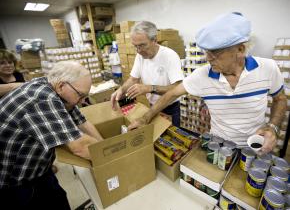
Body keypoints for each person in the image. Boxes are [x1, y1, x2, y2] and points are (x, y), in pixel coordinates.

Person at [128, 12, 287, 154]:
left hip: (255, 148)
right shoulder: (202, 76)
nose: (207, 58)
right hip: (219, 148)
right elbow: (171, 93)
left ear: (240, 49)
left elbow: (280, 99)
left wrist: (272, 127)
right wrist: (145, 118)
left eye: (215, 52)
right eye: (206, 51)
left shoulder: (268, 68)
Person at [0, 61, 103, 209]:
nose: (81, 102)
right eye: (80, 95)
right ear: (61, 86)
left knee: (58, 199)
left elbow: (83, 123)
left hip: (40, 170)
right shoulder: (43, 98)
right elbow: (80, 147)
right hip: (16, 183)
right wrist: (113, 156)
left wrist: (104, 144)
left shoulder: (56, 90)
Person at [110, 21, 184, 126]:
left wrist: (150, 88)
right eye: (135, 46)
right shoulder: (140, 56)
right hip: (152, 106)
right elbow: (133, 79)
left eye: (142, 45)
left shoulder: (169, 56)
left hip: (170, 108)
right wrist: (121, 90)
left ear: (154, 40)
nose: (138, 51)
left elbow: (178, 87)